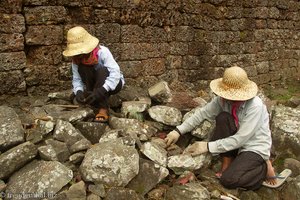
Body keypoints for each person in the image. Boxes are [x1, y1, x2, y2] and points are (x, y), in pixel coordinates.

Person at [164, 66, 279, 190]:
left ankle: (263, 167)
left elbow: (241, 139)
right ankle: (227, 162)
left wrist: (207, 146)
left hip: (253, 147)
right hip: (236, 145)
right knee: (223, 117)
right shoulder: (222, 100)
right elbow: (202, 114)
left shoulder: (255, 106)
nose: (226, 98)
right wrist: (178, 131)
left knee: (228, 180)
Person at [63, 26, 125, 122]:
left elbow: (115, 73)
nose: (79, 56)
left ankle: (103, 108)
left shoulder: (102, 52)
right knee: (83, 68)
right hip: (92, 85)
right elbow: (77, 79)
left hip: (113, 84)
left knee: (102, 70)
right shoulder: (76, 60)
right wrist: (78, 91)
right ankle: (93, 98)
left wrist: (102, 90)